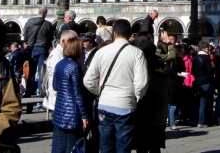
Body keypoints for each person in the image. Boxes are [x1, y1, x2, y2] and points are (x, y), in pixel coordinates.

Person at [83, 19, 148, 153]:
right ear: (130, 34)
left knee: (105, 146)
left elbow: (88, 80)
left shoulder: (101, 52)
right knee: (123, 147)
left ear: (114, 34)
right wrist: (135, 97)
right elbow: (141, 84)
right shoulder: (137, 53)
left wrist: (100, 92)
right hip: (125, 105)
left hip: (105, 104)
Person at [133, 32, 170, 153]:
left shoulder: (142, 67)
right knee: (155, 147)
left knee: (142, 147)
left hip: (143, 112)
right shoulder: (162, 68)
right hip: (159, 114)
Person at [52, 37, 90, 153]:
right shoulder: (75, 67)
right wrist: (84, 116)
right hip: (72, 112)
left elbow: (55, 86)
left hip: (60, 110)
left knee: (60, 146)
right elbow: (78, 94)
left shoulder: (59, 64)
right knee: (72, 146)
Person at [44, 30, 79, 113]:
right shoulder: (57, 54)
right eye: (72, 41)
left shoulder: (63, 53)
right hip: (59, 98)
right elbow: (56, 76)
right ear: (63, 41)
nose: (75, 44)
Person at [23, 7, 55, 98]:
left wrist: (28, 42)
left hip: (32, 48)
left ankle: (29, 91)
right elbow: (50, 38)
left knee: (31, 72)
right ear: (45, 14)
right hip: (42, 48)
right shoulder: (48, 24)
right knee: (42, 71)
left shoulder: (29, 22)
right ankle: (41, 91)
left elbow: (25, 36)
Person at [193, 41, 214, 127]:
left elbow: (193, 70)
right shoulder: (206, 57)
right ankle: (201, 121)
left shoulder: (195, 57)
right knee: (203, 101)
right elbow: (209, 70)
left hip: (197, 81)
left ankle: (195, 119)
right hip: (205, 80)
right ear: (204, 48)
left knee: (197, 101)